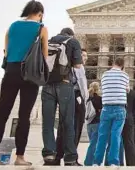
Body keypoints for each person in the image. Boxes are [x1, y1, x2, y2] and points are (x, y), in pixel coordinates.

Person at [0, 0, 48, 166]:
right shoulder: (41, 28)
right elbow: (44, 54)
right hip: (30, 74)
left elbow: (6, 49)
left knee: (2, 113)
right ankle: (20, 157)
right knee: (24, 116)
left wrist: (11, 55)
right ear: (40, 13)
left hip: (11, 71)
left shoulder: (12, 26)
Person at [41, 28, 83, 166]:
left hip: (47, 85)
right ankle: (70, 157)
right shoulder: (73, 42)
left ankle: (48, 153)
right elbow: (77, 65)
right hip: (64, 84)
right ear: (71, 34)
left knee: (48, 121)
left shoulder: (48, 41)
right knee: (67, 122)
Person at [53, 48, 89, 165]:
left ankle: (57, 157)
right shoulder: (79, 67)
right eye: (83, 55)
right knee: (76, 128)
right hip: (76, 98)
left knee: (62, 128)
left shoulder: (67, 65)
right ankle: (72, 158)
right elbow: (82, 86)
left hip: (65, 97)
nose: (85, 58)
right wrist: (85, 99)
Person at [93, 57, 129, 167]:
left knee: (102, 135)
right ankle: (113, 161)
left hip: (106, 108)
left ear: (113, 63)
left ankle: (96, 162)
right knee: (116, 136)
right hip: (119, 108)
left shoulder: (104, 75)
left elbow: (103, 88)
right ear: (122, 66)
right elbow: (127, 89)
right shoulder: (125, 76)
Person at [104, 88, 135, 166]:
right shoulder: (133, 92)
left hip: (116, 118)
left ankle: (112, 163)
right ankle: (131, 165)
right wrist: (130, 114)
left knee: (114, 140)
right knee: (129, 142)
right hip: (129, 119)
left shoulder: (115, 91)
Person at [84, 82, 103, 166]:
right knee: (94, 144)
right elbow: (101, 111)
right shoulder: (99, 99)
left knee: (92, 143)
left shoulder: (87, 98)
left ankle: (90, 161)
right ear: (98, 88)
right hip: (97, 122)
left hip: (89, 123)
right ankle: (89, 162)